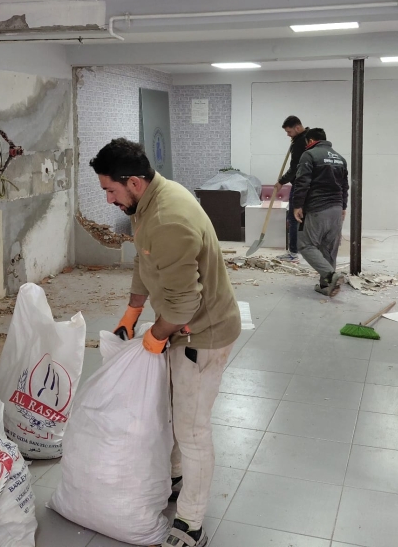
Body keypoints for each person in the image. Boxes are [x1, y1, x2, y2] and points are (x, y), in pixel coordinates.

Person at [90, 138, 241, 547]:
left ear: (134, 182)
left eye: (110, 190)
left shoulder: (168, 219)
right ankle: (175, 477)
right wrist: (133, 311)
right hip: (182, 327)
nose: (108, 199)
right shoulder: (147, 203)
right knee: (174, 410)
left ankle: (191, 523)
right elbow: (145, 259)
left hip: (202, 334)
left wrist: (155, 336)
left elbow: (183, 304)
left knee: (192, 430)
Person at [291, 128, 348, 295]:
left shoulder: (309, 155)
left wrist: (297, 205)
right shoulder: (340, 158)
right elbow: (345, 186)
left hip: (317, 208)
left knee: (305, 244)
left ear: (310, 141)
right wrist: (343, 206)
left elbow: (302, 182)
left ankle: (330, 276)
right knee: (329, 248)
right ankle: (326, 286)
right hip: (336, 208)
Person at [274, 115, 308, 262]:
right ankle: (307, 251)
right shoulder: (309, 138)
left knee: (293, 218)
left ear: (297, 128)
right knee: (304, 218)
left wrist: (281, 181)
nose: (288, 135)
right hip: (310, 185)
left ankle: (293, 253)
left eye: (289, 131)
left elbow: (295, 168)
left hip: (300, 184)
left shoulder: (299, 142)